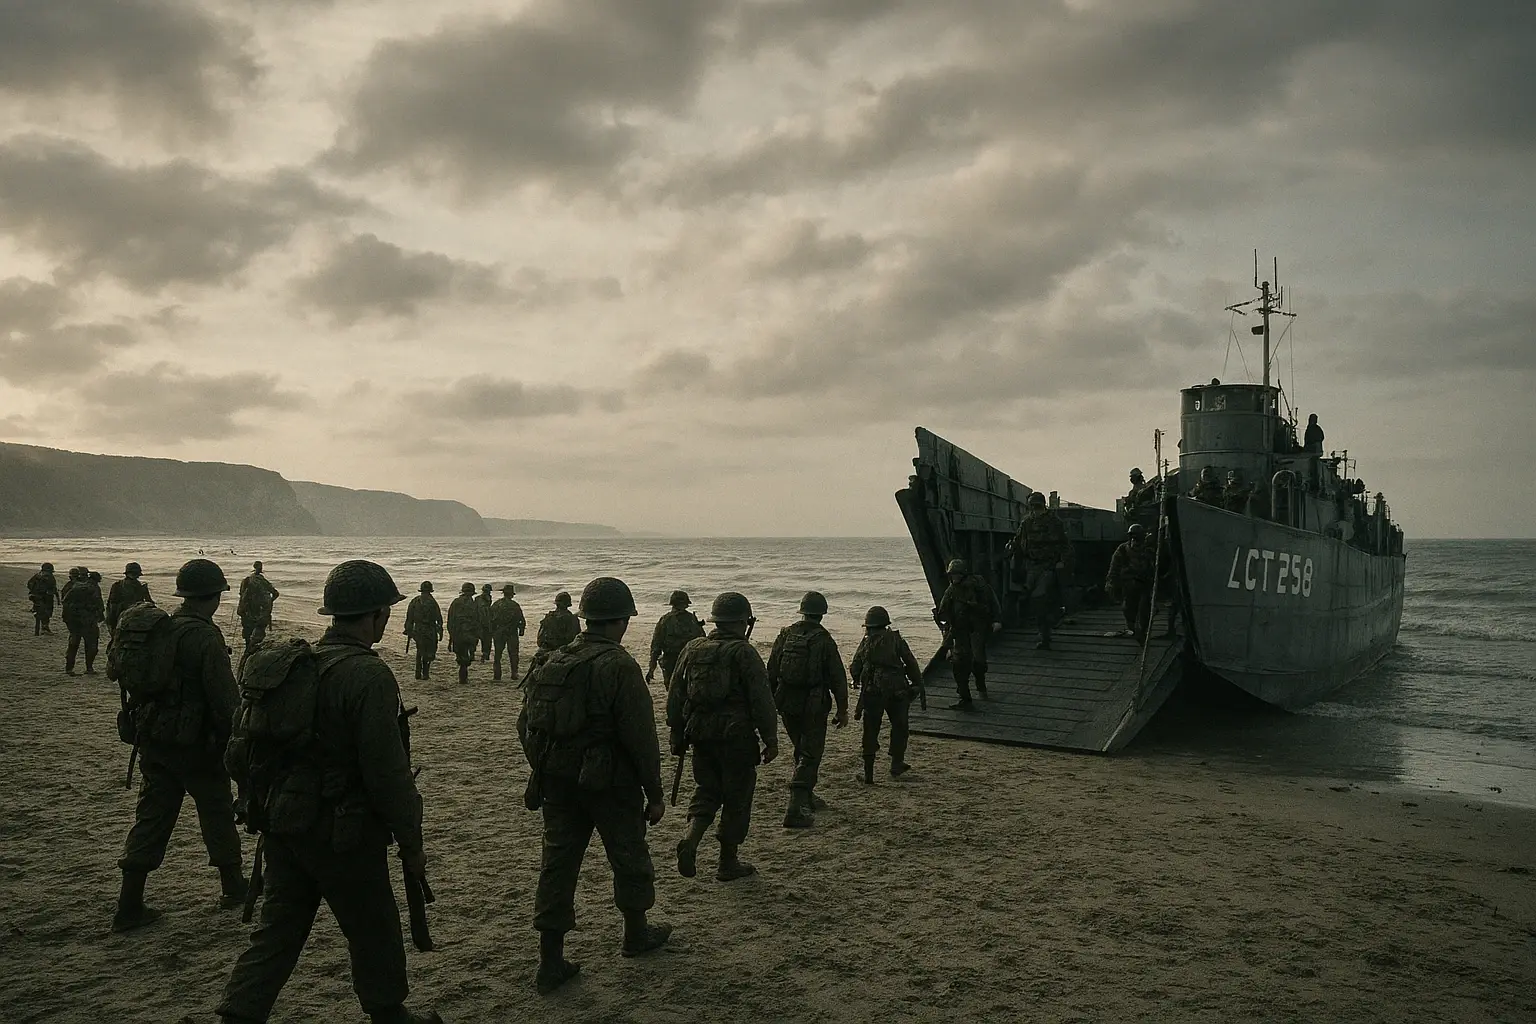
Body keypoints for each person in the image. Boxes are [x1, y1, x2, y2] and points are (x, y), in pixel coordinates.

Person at [217, 560, 441, 1024]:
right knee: (373, 928)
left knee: (277, 930)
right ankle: (389, 1015)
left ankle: (238, 1014)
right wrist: (411, 841)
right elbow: (388, 776)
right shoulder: (368, 675)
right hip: (344, 831)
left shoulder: (295, 667)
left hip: (283, 822)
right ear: (377, 615)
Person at [517, 576, 671, 996]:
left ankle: (550, 961)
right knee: (628, 855)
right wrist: (654, 794)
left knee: (558, 864)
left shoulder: (552, 659)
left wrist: (544, 768)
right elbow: (641, 737)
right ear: (621, 621)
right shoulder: (619, 665)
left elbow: (525, 724)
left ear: (585, 618)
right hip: (611, 784)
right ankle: (635, 935)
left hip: (558, 782)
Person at [112, 558, 246, 932]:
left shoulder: (164, 628)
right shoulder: (204, 636)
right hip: (197, 745)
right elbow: (225, 700)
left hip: (154, 739)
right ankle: (233, 887)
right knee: (217, 811)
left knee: (152, 817)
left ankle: (129, 904)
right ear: (216, 596)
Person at [666, 592, 777, 882]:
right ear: (743, 621)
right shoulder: (743, 652)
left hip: (700, 735)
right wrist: (771, 739)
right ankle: (727, 863)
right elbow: (762, 699)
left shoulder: (692, 648)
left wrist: (676, 733)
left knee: (707, 790)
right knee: (737, 796)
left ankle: (691, 839)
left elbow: (675, 696)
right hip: (736, 738)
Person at [765, 591, 848, 828]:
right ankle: (795, 807)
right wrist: (842, 709)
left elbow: (771, 670)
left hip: (786, 701)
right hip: (813, 703)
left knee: (801, 749)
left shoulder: (786, 634)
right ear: (822, 613)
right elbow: (837, 677)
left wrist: (772, 702)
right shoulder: (823, 640)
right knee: (811, 753)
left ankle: (807, 796)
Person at [849, 607, 923, 784]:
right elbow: (910, 662)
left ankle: (869, 775)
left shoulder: (866, 642)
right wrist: (917, 684)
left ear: (868, 626)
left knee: (870, 730)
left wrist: (857, 679)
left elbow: (855, 667)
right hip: (898, 691)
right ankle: (896, 764)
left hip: (873, 691)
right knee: (900, 726)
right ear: (886, 624)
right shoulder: (896, 639)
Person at [1007, 491, 1073, 651]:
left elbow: (1065, 545)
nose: (1035, 510)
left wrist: (1062, 562)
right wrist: (1011, 547)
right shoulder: (1027, 523)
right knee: (1029, 597)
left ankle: (1045, 636)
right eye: (1032, 507)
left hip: (1048, 566)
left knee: (1040, 597)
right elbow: (1018, 541)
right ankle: (1047, 626)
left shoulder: (1054, 522)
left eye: (1037, 506)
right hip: (1031, 566)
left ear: (1043, 505)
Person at [934, 558, 1001, 709]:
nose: (954, 578)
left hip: (977, 628)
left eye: (956, 574)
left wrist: (997, 620)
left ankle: (981, 687)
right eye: (952, 575)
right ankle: (965, 698)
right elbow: (943, 610)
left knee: (978, 661)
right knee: (959, 666)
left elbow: (993, 603)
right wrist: (942, 619)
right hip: (959, 630)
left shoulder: (979, 586)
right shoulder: (951, 590)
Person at [1105, 524, 1156, 643]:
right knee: (1128, 609)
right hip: (1129, 585)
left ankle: (1142, 632)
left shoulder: (1149, 550)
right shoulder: (1123, 550)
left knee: (1144, 610)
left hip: (1145, 585)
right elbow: (1114, 567)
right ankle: (1133, 629)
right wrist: (1110, 582)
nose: (1135, 539)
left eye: (1137, 536)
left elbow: (1156, 567)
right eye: (1132, 536)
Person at [646, 590, 705, 688]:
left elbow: (656, 646)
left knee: (673, 689)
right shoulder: (691, 618)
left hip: (677, 660)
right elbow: (703, 640)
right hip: (686, 660)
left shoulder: (665, 620)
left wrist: (651, 668)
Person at [63, 569, 106, 675]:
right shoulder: (94, 588)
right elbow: (99, 605)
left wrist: (67, 619)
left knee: (73, 644)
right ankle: (89, 668)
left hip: (74, 620)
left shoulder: (74, 586)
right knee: (91, 645)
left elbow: (65, 601)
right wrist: (100, 617)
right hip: (89, 620)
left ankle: (69, 668)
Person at [403, 582, 443, 681]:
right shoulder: (432, 602)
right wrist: (440, 630)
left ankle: (418, 673)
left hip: (419, 630)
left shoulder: (415, 601)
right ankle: (425, 673)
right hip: (429, 630)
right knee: (429, 651)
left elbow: (409, 618)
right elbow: (439, 618)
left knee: (420, 651)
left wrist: (409, 629)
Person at [237, 561, 280, 653]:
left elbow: (241, 595)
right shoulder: (263, 581)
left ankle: (248, 650)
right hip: (260, 611)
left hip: (247, 611)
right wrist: (269, 603)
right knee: (258, 634)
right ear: (261, 568)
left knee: (248, 635)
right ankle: (253, 651)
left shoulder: (246, 581)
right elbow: (276, 594)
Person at [489, 584, 527, 682]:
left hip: (499, 632)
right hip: (512, 632)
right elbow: (521, 619)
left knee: (498, 654)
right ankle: (514, 673)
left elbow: (490, 619)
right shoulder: (515, 605)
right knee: (513, 654)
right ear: (512, 595)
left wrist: (492, 631)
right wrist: (521, 630)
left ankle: (497, 675)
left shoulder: (496, 604)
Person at [446, 582, 480, 684]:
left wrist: (451, 636)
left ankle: (463, 678)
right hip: (469, 635)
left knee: (461, 657)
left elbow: (450, 620)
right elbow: (478, 621)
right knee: (467, 657)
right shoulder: (474, 604)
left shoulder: (456, 602)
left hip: (458, 634)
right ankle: (463, 678)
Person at [107, 562, 153, 631]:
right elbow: (113, 605)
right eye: (135, 574)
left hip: (136, 615)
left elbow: (149, 602)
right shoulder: (118, 586)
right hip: (124, 615)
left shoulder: (140, 586)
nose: (137, 576)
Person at [27, 562, 58, 635]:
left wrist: (33, 592)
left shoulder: (37, 575)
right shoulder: (50, 576)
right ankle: (45, 628)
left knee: (39, 611)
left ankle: (40, 627)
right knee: (47, 612)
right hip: (46, 597)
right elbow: (53, 588)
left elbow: (29, 584)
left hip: (35, 597)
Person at [475, 583, 494, 662]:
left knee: (478, 638)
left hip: (479, 621)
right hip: (484, 621)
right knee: (486, 639)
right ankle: (485, 655)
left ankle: (480, 654)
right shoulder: (486, 598)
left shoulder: (477, 598)